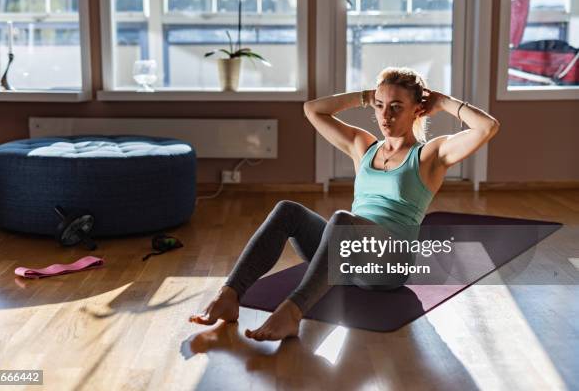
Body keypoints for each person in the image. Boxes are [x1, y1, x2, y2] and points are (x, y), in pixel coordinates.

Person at [189, 66, 500, 341]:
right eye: (379, 106)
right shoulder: (362, 145)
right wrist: (366, 95)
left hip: (387, 266)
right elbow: (312, 109)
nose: (385, 116)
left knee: (342, 220)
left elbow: (488, 128)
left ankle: (292, 313)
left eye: (395, 107)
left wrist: (442, 101)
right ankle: (229, 295)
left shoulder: (429, 156)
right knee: (288, 211)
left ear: (417, 110)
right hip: (348, 258)